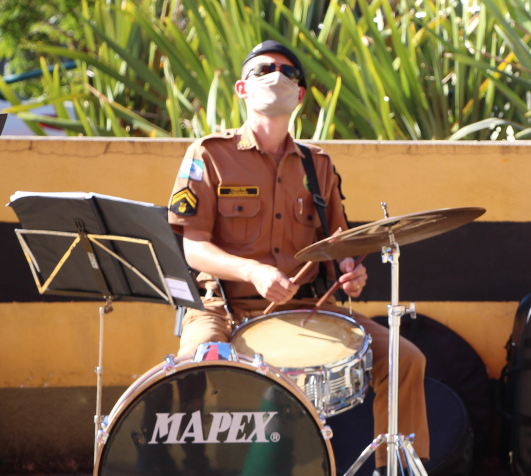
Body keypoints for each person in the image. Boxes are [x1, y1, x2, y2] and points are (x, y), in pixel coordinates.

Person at [167, 40, 429, 472]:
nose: (278, 75)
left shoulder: (317, 165)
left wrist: (350, 272)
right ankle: (194, 464)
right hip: (223, 309)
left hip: (305, 309)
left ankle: (394, 468)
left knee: (405, 358)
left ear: (301, 96)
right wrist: (250, 270)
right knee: (194, 366)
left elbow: (340, 246)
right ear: (241, 88)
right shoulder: (209, 155)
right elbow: (193, 247)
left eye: (289, 72)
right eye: (264, 69)